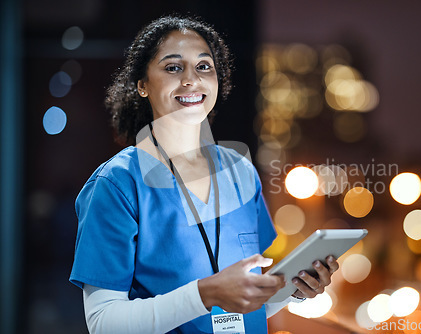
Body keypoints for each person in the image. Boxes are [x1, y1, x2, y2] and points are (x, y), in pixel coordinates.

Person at [69, 15, 339, 334]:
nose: (191, 79)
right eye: (173, 67)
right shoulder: (117, 183)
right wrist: (205, 293)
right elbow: (103, 323)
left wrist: (294, 290)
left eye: (204, 66)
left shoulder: (241, 172)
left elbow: (250, 303)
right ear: (142, 84)